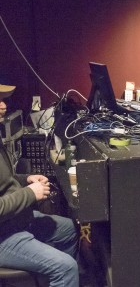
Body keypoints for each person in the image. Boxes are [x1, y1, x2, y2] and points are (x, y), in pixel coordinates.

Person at [0, 84, 80, 286]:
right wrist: (29, 194)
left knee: (70, 229)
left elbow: (3, 182)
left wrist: (25, 180)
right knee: (66, 268)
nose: (3, 106)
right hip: (4, 235)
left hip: (14, 220)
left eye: (3, 99)